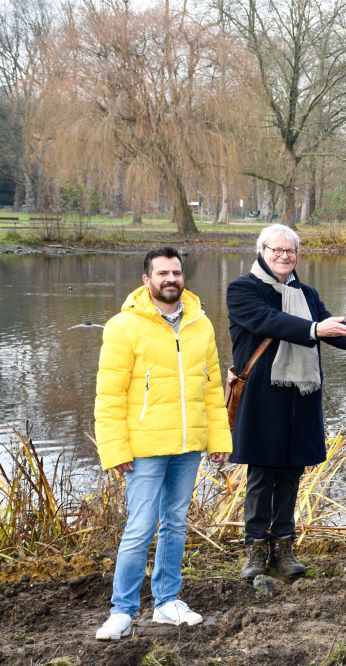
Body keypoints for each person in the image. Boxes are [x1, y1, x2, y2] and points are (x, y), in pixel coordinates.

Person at [227, 224, 346, 579]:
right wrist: (315, 329)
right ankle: (254, 551)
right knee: (262, 474)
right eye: (277, 250)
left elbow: (328, 327)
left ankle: (283, 548)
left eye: (291, 251)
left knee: (292, 473)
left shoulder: (307, 293)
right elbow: (272, 322)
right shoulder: (243, 290)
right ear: (261, 252)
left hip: (301, 398)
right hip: (263, 398)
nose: (284, 256)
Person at [93, 247, 231, 640]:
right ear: (146, 280)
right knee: (138, 529)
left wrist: (218, 438)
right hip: (144, 449)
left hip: (187, 446)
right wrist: (115, 449)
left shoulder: (200, 323)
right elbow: (109, 396)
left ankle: (168, 602)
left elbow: (211, 387)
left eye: (176, 272)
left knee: (176, 524)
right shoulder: (123, 326)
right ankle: (122, 611)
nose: (170, 279)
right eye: (162, 273)